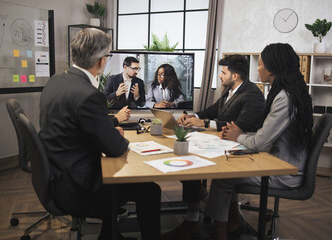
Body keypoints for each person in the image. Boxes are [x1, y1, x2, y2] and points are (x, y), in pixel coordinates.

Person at [39, 28, 161, 240]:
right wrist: (117, 135)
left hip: (58, 174)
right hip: (79, 188)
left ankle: (109, 234)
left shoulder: (56, 81)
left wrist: (109, 127)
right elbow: (116, 148)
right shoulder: (88, 94)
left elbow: (79, 123)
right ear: (101, 61)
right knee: (150, 191)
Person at [205, 43, 314, 240]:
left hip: (284, 171)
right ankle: (233, 223)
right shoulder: (289, 92)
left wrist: (238, 135)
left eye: (261, 64)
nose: (257, 68)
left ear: (271, 68)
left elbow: (262, 143)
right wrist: (240, 135)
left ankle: (220, 233)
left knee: (222, 178)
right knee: (230, 169)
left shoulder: (284, 98)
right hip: (281, 161)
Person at [162, 55, 265, 240]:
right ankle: (199, 214)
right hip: (221, 143)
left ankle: (201, 217)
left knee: (193, 169)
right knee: (188, 166)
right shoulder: (230, 90)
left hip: (239, 150)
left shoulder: (252, 95)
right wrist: (192, 115)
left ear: (234, 76)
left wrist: (205, 122)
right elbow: (213, 109)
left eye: (223, 72)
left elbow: (241, 126)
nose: (220, 76)